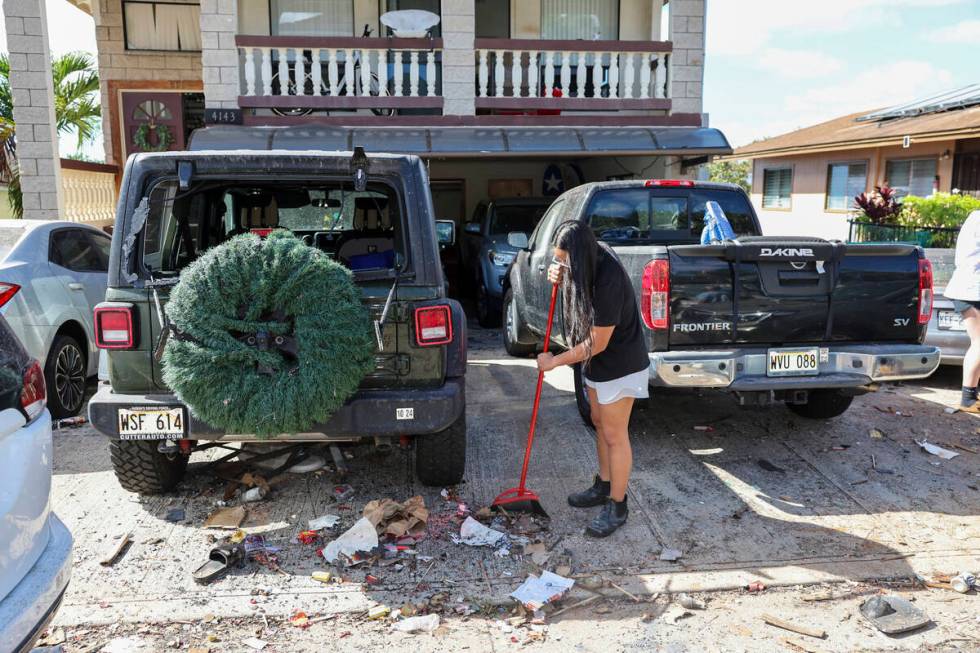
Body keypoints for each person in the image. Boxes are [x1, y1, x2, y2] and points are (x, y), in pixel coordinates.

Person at [536, 221, 650, 537]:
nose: (562, 265)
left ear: (582, 255)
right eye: (559, 260)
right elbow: (572, 280)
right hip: (597, 365)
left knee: (615, 434)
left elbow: (596, 343)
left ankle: (618, 505)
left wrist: (554, 361)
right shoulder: (586, 261)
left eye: (565, 260)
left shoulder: (609, 277)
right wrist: (557, 272)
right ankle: (603, 485)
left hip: (620, 364)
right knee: (599, 423)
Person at [944, 209, 980, 413]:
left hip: (968, 285)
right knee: (979, 343)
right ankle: (967, 398)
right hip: (971, 289)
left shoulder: (974, 217)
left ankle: (972, 395)